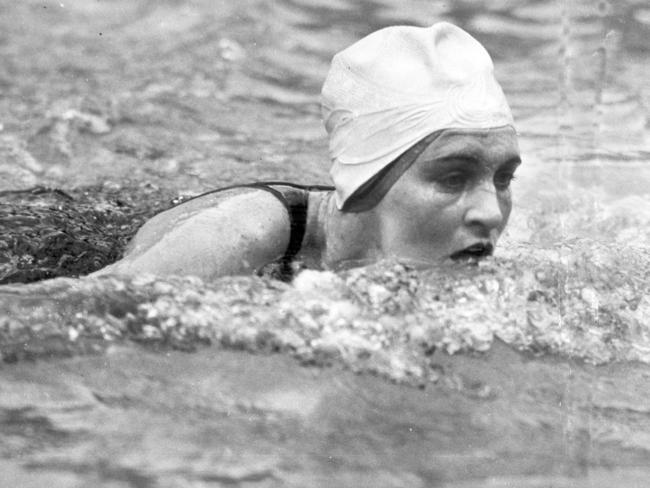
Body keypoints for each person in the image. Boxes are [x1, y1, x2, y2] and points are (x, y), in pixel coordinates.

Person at [95, 22, 521, 282]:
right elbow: (65, 310)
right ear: (367, 180)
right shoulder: (241, 236)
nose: (492, 213)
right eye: (452, 178)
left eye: (504, 177)